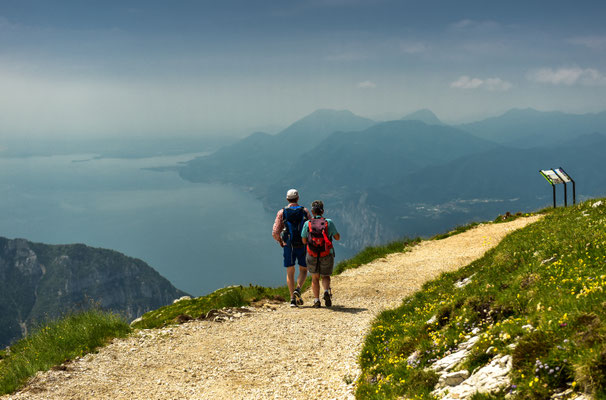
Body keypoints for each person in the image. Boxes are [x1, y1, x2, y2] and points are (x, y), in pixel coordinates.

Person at [272, 189, 311, 307]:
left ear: (287, 199)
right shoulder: (304, 211)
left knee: (290, 271)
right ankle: (298, 289)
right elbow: (310, 227)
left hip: (288, 244)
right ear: (298, 198)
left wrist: (280, 241)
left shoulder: (282, 212)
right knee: (304, 269)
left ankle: (292, 299)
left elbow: (275, 232)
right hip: (302, 244)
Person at [301, 200, 340, 308]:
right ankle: (326, 291)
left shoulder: (307, 223)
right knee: (325, 276)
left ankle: (316, 300)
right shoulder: (329, 222)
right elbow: (337, 237)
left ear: (312, 211)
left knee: (315, 278)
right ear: (322, 211)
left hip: (312, 254)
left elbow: (304, 241)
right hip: (326, 253)